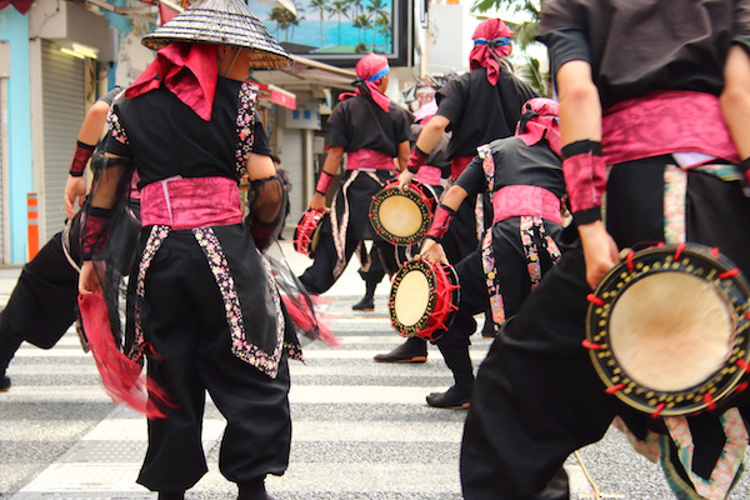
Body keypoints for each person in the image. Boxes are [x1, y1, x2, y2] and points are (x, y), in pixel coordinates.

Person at [459, 2, 750, 499]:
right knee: (714, 372)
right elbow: (740, 95)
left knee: (514, 398)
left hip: (637, 198)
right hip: (725, 192)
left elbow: (576, 92)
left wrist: (591, 225)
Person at [77, 0, 302, 498]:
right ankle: (251, 488)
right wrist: (255, 243)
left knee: (170, 371)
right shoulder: (240, 101)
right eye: (241, 53)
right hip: (226, 250)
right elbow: (267, 193)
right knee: (251, 366)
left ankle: (170, 489)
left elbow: (105, 191)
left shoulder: (128, 106)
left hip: (157, 258)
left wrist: (92, 256)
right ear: (219, 51)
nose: (245, 63)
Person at [376, 18, 538, 364]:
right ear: (506, 48)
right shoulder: (524, 91)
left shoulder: (462, 85)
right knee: (504, 266)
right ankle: (500, 339)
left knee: (437, 267)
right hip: (509, 195)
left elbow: (437, 124)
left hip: (464, 193)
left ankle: (421, 345)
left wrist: (411, 168)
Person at [417, 98, 565, 409]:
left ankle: (465, 387)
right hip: (553, 247)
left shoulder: (496, 150)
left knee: (444, 302)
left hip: (502, 245)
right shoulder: (568, 158)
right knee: (558, 319)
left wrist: (433, 237)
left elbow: (456, 191)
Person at [0, 86, 124, 392]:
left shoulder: (136, 94)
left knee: (35, 284)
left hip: (106, 225)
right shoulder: (221, 103)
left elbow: (98, 111)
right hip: (175, 230)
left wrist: (76, 172)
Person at [297, 53, 412, 296]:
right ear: (382, 80)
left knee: (330, 256)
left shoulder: (344, 109)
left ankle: (289, 310)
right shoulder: (398, 113)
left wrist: (320, 194)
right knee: (400, 262)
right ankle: (417, 322)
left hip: (352, 192)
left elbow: (335, 155)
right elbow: (404, 160)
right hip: (387, 193)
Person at [271, 154, 291, 239]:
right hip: (271, 199)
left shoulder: (282, 174)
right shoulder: (267, 173)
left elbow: (288, 185)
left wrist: (284, 188)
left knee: (283, 215)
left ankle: (279, 234)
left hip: (283, 198)